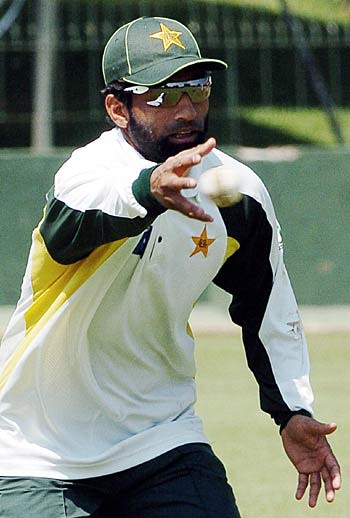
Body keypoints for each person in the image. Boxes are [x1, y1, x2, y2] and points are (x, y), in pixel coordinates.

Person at [0, 16, 341, 517]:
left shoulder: (238, 194)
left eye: (196, 89)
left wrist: (290, 410)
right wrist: (149, 191)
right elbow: (69, 226)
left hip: (161, 440)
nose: (186, 110)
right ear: (118, 107)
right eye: (162, 95)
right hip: (40, 451)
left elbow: (269, 307)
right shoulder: (88, 174)